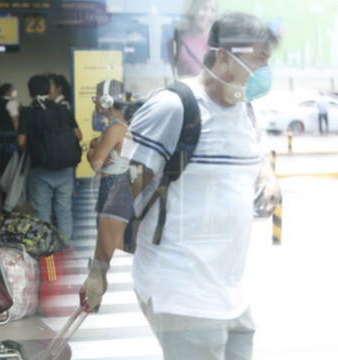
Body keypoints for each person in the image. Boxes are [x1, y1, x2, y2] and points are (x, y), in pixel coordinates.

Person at [81, 12, 280, 360]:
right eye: (258, 59)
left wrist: (268, 177)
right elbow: (122, 196)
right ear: (223, 55)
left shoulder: (245, 110)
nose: (265, 71)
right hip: (181, 290)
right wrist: (98, 272)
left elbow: (255, 154)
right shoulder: (173, 107)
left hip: (231, 293)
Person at [17, 74, 81, 240]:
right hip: (66, 167)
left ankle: (46, 247)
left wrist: (33, 147)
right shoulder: (63, 109)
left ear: (30, 92)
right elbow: (79, 135)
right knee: (64, 209)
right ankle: (66, 245)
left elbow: (21, 141)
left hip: (40, 169)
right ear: (50, 89)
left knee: (42, 210)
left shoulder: (29, 112)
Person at [87, 79, 132, 226]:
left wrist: (91, 151)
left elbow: (96, 164)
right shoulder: (122, 125)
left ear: (106, 101)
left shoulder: (114, 129)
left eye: (96, 98)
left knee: (110, 245)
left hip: (111, 186)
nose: (95, 102)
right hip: (119, 184)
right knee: (113, 244)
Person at [170, 0, 218, 77]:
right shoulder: (177, 42)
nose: (209, 14)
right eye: (204, 8)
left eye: (212, 10)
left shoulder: (216, 42)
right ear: (193, 10)